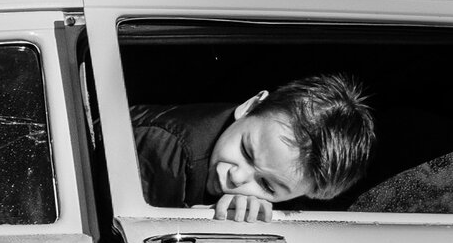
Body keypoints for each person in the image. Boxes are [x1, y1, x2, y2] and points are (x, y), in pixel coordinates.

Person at [132, 74, 376, 222]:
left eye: (267, 185)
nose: (237, 178)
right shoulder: (163, 146)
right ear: (250, 106)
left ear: (309, 194)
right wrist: (204, 220)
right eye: (246, 151)